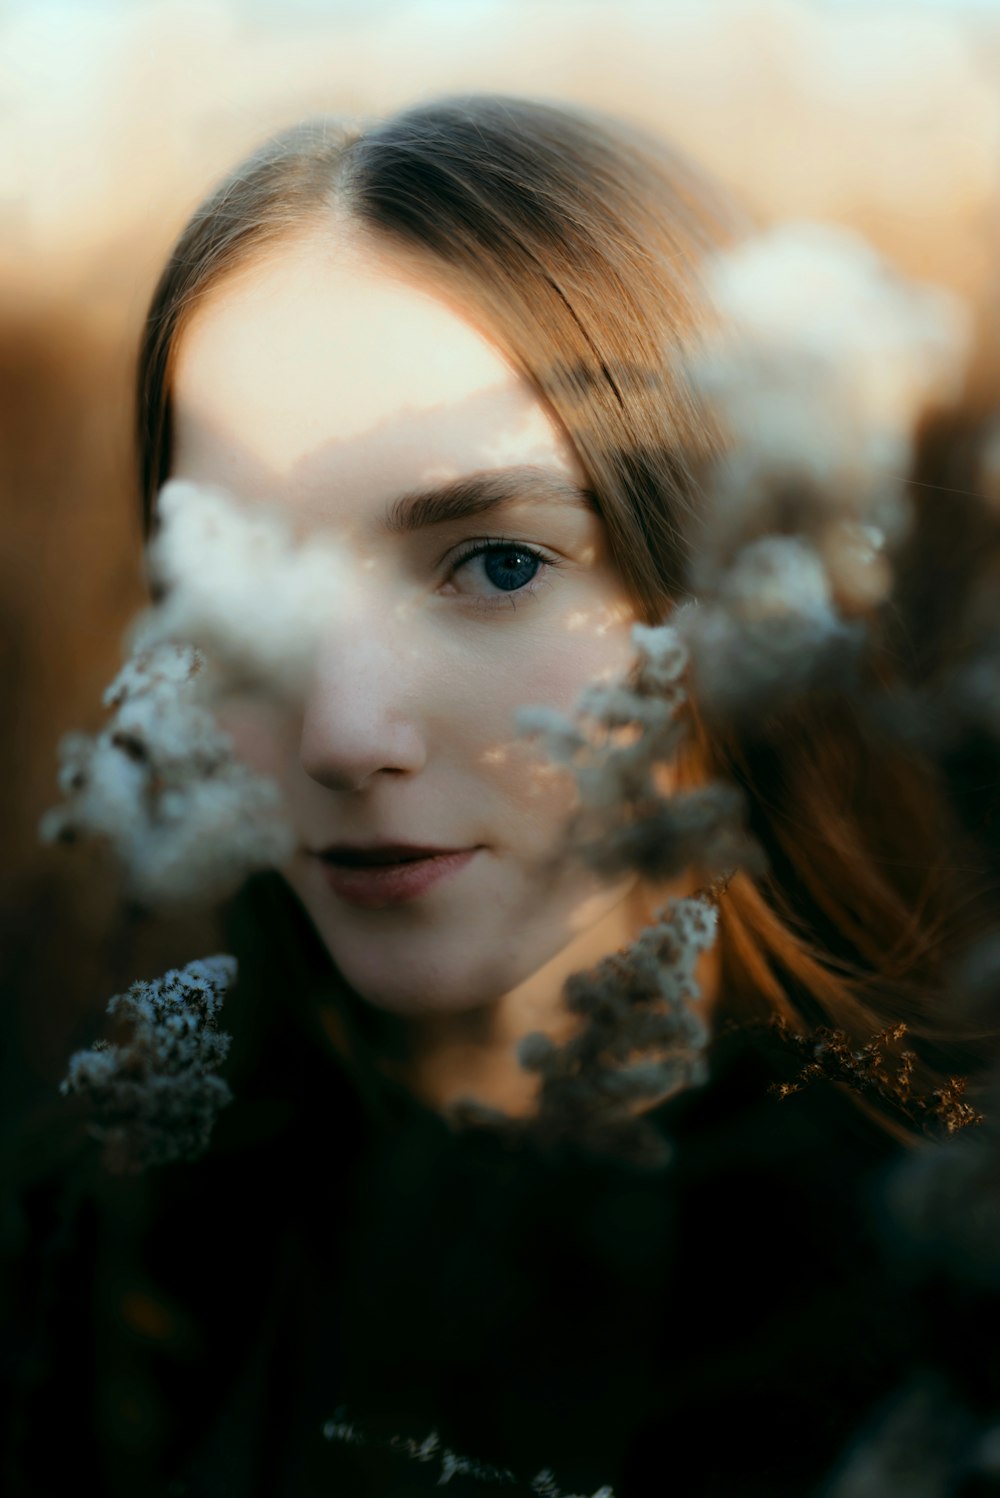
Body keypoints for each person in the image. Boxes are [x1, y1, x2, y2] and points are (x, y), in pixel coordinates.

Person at [7, 93, 999, 1498]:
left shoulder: (933, 1277)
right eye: (247, 583)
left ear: (734, 573)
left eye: (499, 562)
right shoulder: (92, 1237)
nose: (345, 734)